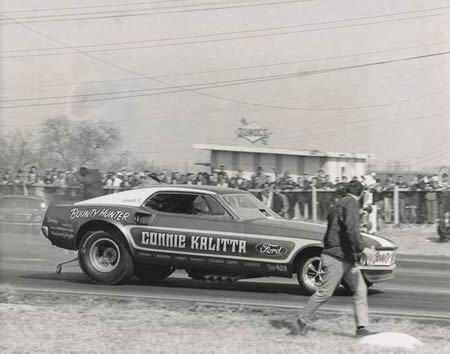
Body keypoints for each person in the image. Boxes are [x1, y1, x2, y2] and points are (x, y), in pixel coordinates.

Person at [292, 180, 376, 337]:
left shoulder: (338, 204)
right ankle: (300, 322)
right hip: (337, 257)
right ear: (362, 194)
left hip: (339, 256)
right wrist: (363, 248)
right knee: (325, 292)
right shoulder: (351, 203)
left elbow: (339, 230)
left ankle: (362, 328)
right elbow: (351, 231)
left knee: (360, 289)